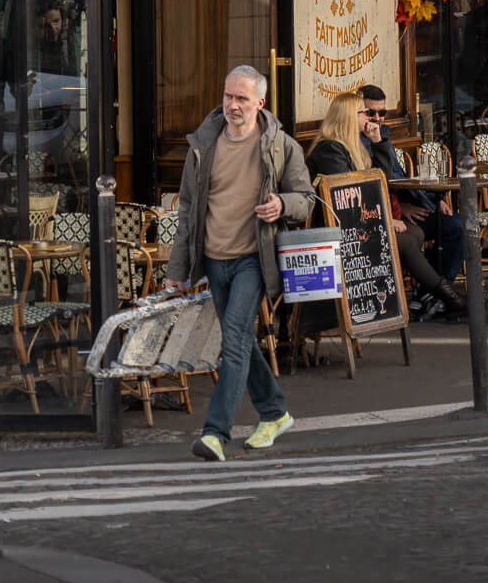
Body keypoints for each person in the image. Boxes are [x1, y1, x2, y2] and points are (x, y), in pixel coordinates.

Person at [164, 67, 313, 462]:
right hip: (213, 259)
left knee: (232, 339)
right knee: (242, 340)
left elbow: (306, 199)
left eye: (242, 98)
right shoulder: (203, 144)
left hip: (253, 258)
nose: (232, 105)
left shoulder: (281, 146)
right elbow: (188, 211)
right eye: (228, 96)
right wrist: (177, 271)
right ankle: (274, 413)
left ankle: (215, 434)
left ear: (260, 103)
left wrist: (282, 204)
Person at [308, 91, 467, 321]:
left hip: (358, 223)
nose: (369, 118)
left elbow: (379, 181)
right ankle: (449, 298)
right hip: (340, 229)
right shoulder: (330, 150)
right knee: (405, 241)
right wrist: (383, 221)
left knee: (416, 233)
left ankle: (425, 295)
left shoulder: (351, 147)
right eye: (364, 113)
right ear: (349, 116)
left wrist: (378, 142)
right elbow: (348, 200)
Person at [358, 83, 465, 296]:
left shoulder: (383, 136)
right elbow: (372, 186)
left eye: (382, 113)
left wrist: (435, 200)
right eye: (371, 113)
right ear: (359, 113)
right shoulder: (358, 144)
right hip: (390, 214)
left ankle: (433, 292)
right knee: (452, 227)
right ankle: (439, 293)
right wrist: (399, 209)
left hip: (410, 208)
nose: (377, 118)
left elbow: (400, 179)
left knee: (458, 225)